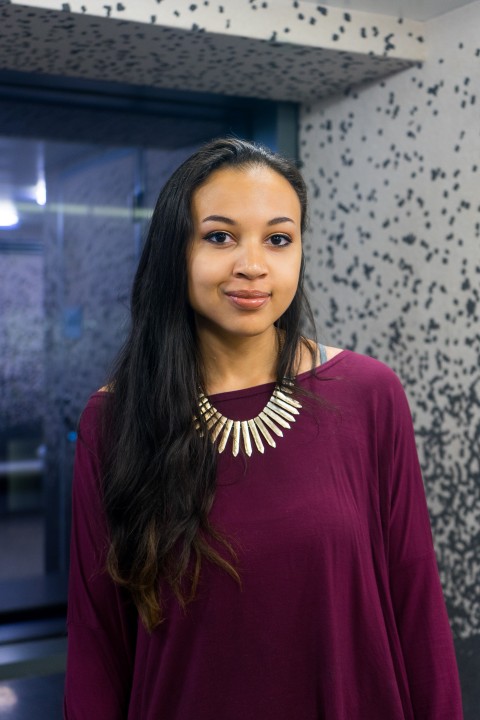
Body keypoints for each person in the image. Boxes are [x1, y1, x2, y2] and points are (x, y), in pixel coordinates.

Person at [64, 138, 463, 719]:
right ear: (176, 249)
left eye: (278, 239)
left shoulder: (369, 394)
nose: (252, 265)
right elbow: (99, 643)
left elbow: (416, 600)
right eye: (219, 236)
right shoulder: (116, 419)